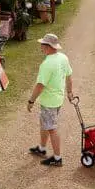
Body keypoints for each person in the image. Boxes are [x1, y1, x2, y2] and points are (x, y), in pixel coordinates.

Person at [27, 33, 73, 166]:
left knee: (51, 128)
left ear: (47, 46)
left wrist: (31, 101)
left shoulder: (47, 64)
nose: (41, 46)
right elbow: (69, 76)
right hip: (58, 98)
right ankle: (42, 148)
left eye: (42, 44)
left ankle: (57, 158)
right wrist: (69, 92)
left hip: (49, 102)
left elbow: (40, 86)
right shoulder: (63, 57)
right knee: (45, 123)